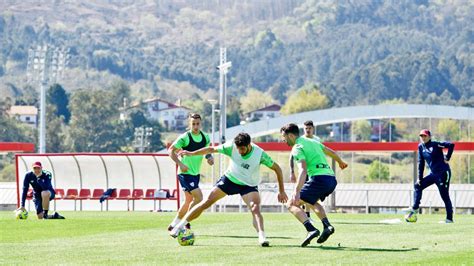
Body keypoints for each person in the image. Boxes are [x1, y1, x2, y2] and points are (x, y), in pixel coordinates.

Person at [170, 132, 288, 247]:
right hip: (229, 180)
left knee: (255, 208)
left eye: (242, 149)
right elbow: (211, 149)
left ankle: (262, 237)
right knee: (206, 202)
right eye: (238, 149)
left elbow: (277, 169)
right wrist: (191, 153)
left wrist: (281, 191)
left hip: (248, 185)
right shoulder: (231, 146)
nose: (240, 151)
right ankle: (179, 226)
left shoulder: (259, 154)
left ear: (249, 145)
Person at [281, 123, 348, 247]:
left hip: (319, 179)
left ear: (290, 135)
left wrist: (296, 191)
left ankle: (311, 229)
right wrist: (341, 162)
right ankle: (327, 226)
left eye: (284, 138)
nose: (283, 140)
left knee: (290, 204)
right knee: (311, 202)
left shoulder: (297, 147)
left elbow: (303, 170)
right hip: (331, 179)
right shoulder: (313, 141)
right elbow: (332, 152)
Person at [167, 113, 214, 231]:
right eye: (193, 124)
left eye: (197, 124)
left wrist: (209, 157)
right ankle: (184, 222)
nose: (196, 126)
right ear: (190, 124)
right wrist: (181, 164)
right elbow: (171, 151)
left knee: (188, 201)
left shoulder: (205, 137)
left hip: (195, 174)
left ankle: (173, 224)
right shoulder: (185, 137)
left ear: (201, 123)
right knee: (199, 198)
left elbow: (206, 151)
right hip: (185, 174)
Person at [404, 129, 455, 223]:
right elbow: (421, 163)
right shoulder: (420, 147)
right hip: (433, 174)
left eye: (425, 136)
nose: (423, 138)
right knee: (418, 185)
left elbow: (451, 145)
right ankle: (415, 208)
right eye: (421, 136)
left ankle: (449, 219)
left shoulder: (436, 144)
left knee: (444, 195)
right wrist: (419, 178)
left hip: (443, 173)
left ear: (429, 137)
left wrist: (447, 157)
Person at [289, 120, 321, 218]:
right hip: (303, 172)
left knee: (311, 195)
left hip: (315, 172)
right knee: (305, 194)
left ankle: (307, 214)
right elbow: (291, 157)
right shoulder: (300, 140)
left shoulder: (317, 140)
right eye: (306, 128)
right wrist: (292, 172)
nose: (308, 130)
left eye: (309, 128)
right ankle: (306, 215)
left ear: (313, 129)